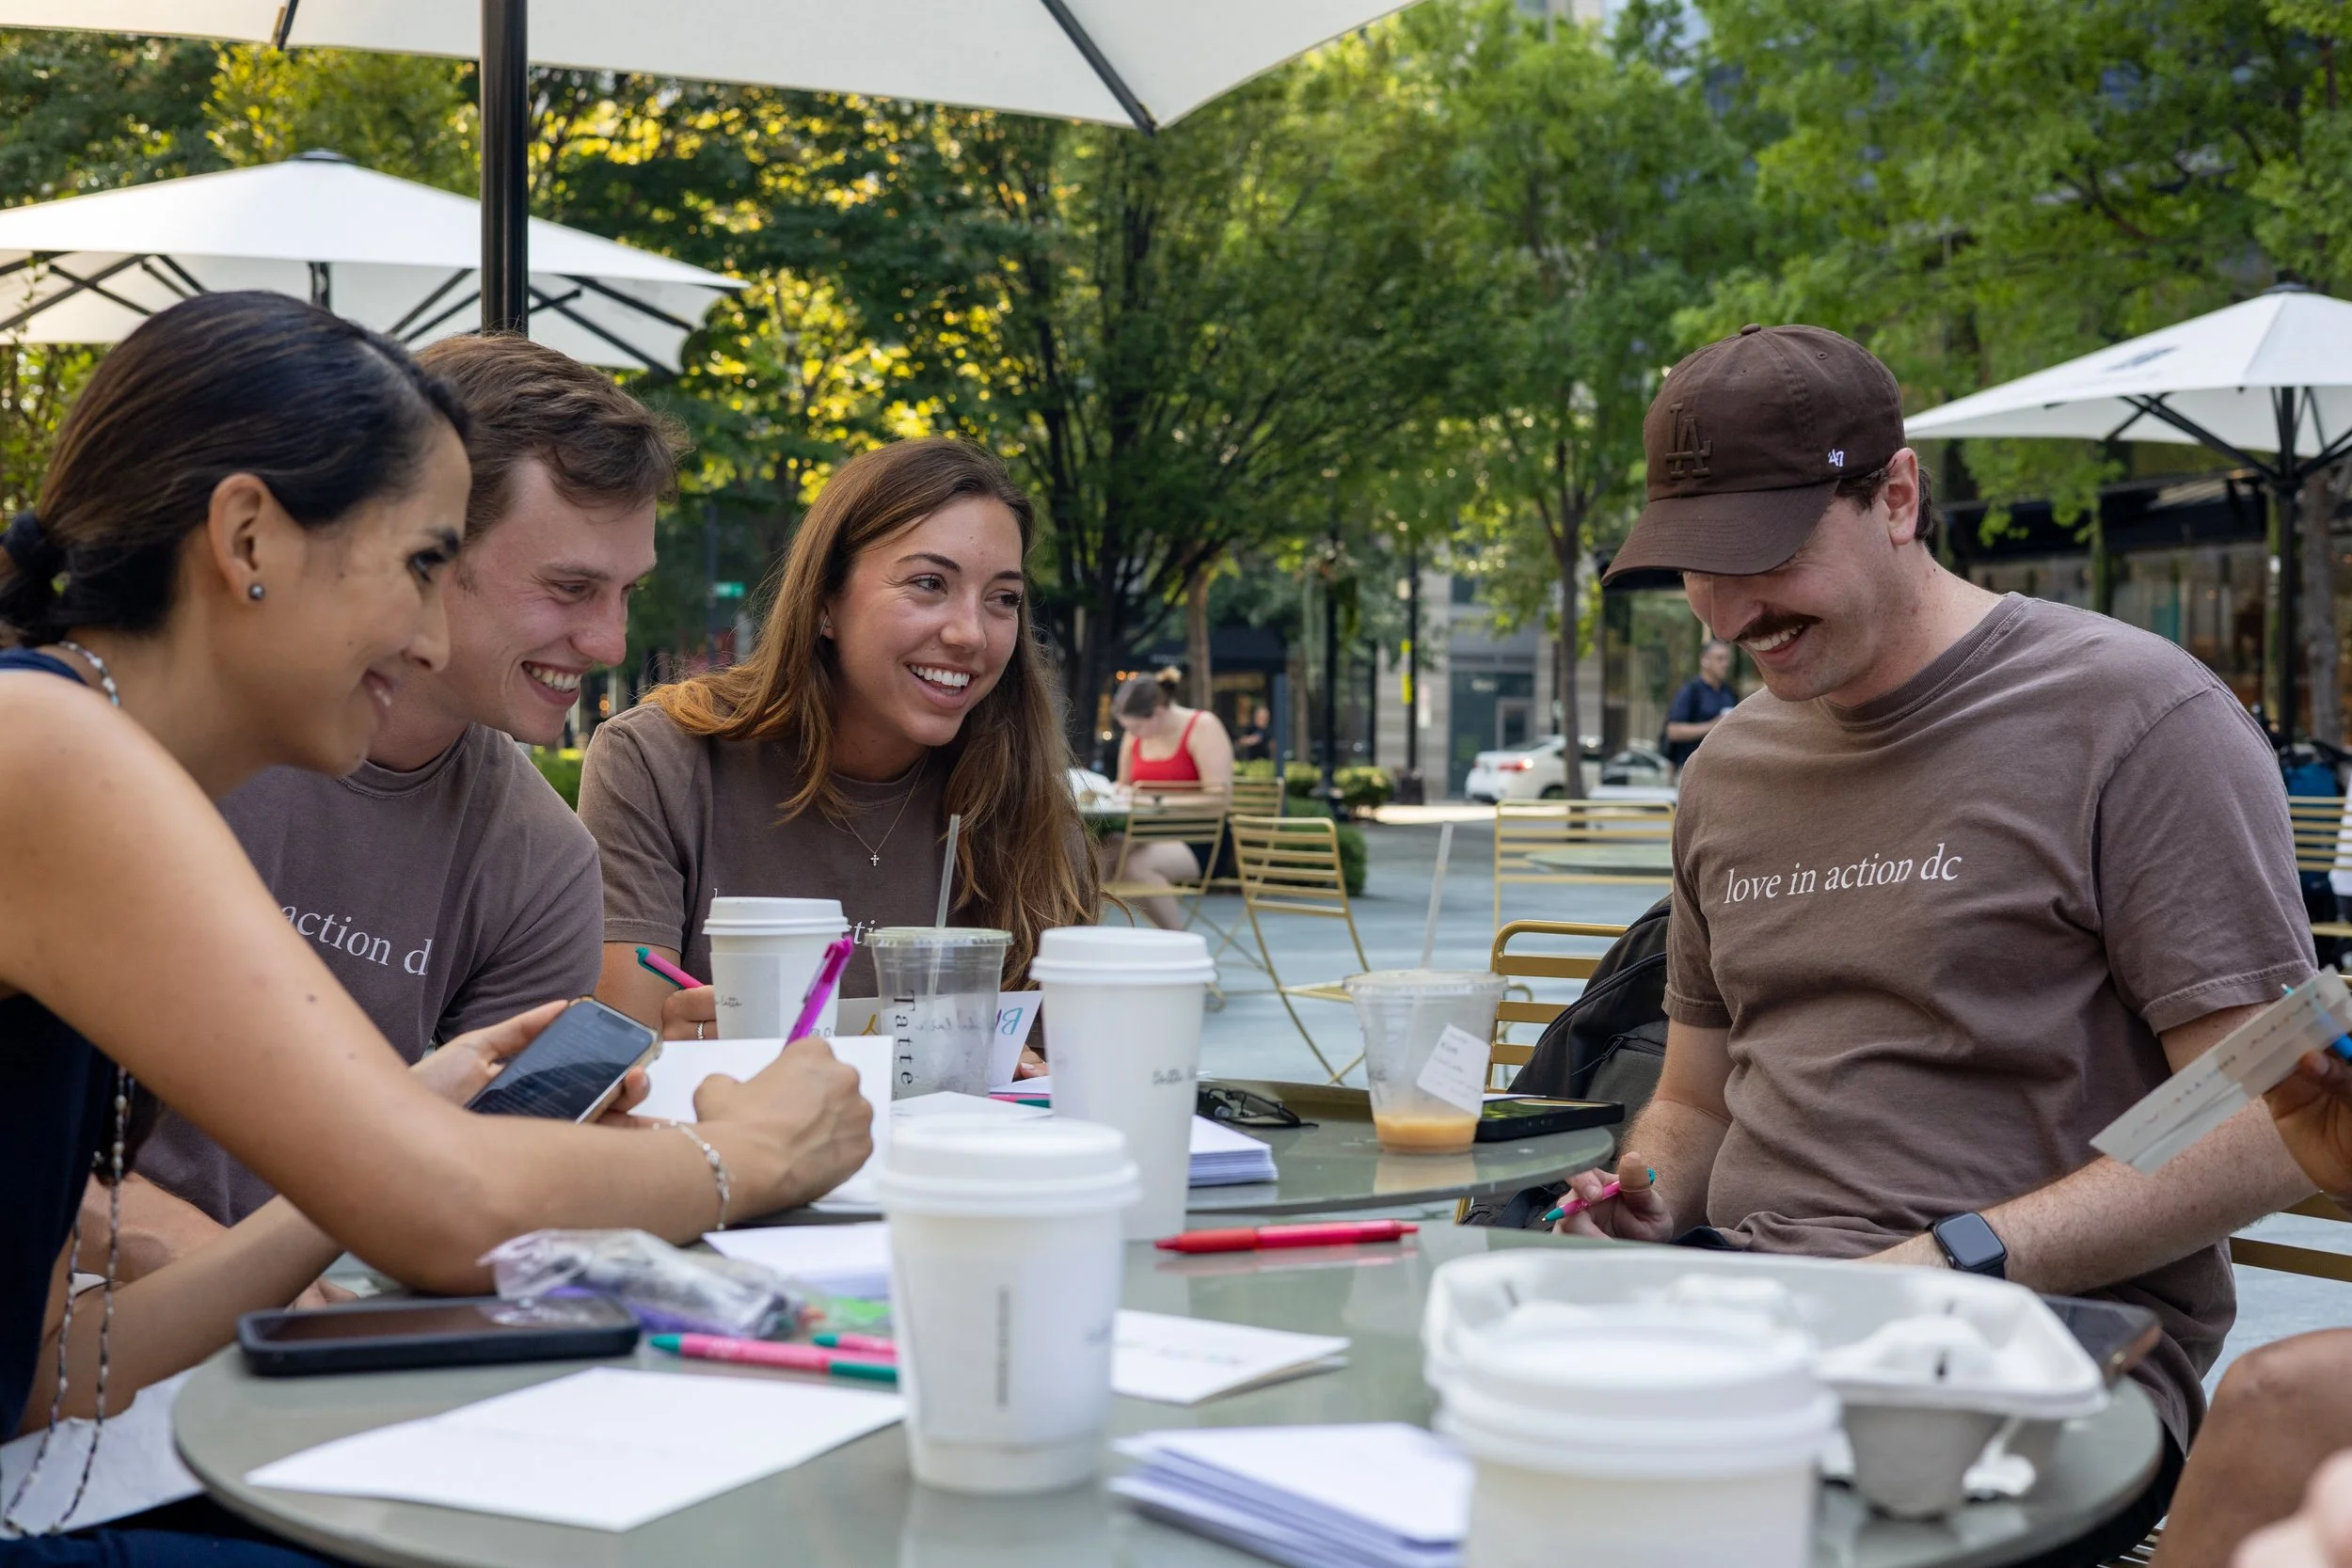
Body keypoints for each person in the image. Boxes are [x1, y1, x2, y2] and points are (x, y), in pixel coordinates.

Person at [0, 293, 868, 1560]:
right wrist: (752, 1152)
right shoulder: (48, 749)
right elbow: (452, 1206)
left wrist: (355, 1169)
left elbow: (46, 1372)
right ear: (246, 537)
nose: (425, 633)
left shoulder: (66, 735)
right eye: (419, 565)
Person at [1555, 323, 2314, 1561]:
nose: (1731, 612)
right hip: (1748, 1309)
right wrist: (1643, 1193)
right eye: (1698, 564)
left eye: (1766, 553)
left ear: (1897, 496)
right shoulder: (1730, 765)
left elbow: (2272, 1108)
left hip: (2040, 1346)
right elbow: (1693, 1101)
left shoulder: (2137, 717)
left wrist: (1952, 1258)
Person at [111, 335, 685, 1275]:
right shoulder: (151, 734)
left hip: (318, 1307)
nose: (611, 641)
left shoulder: (542, 854)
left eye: (626, 593)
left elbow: (483, 1194)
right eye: (571, 588)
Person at [580, 436, 1095, 1038]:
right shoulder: (660, 763)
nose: (971, 634)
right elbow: (628, 1054)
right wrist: (686, 1045)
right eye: (930, 583)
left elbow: (1070, 1061)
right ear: (826, 600)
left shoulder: (1027, 809)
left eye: (1003, 599)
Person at [1101, 670, 1236, 931]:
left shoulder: (1203, 727)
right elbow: (1124, 786)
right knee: (1094, 858)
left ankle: (1179, 943)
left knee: (1137, 868)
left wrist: (1155, 801)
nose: (1133, 734)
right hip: (1145, 832)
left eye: (1137, 727)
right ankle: (1077, 935)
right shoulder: (1134, 736)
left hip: (1200, 836)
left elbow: (1220, 800)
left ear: (1158, 712)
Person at [1660, 638, 1737, 771]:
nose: (1725, 664)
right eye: (1720, 659)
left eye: (1727, 659)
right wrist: (1711, 726)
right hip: (1692, 770)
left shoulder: (1728, 693)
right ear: (1705, 660)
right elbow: (1673, 731)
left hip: (1722, 769)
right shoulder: (1691, 691)